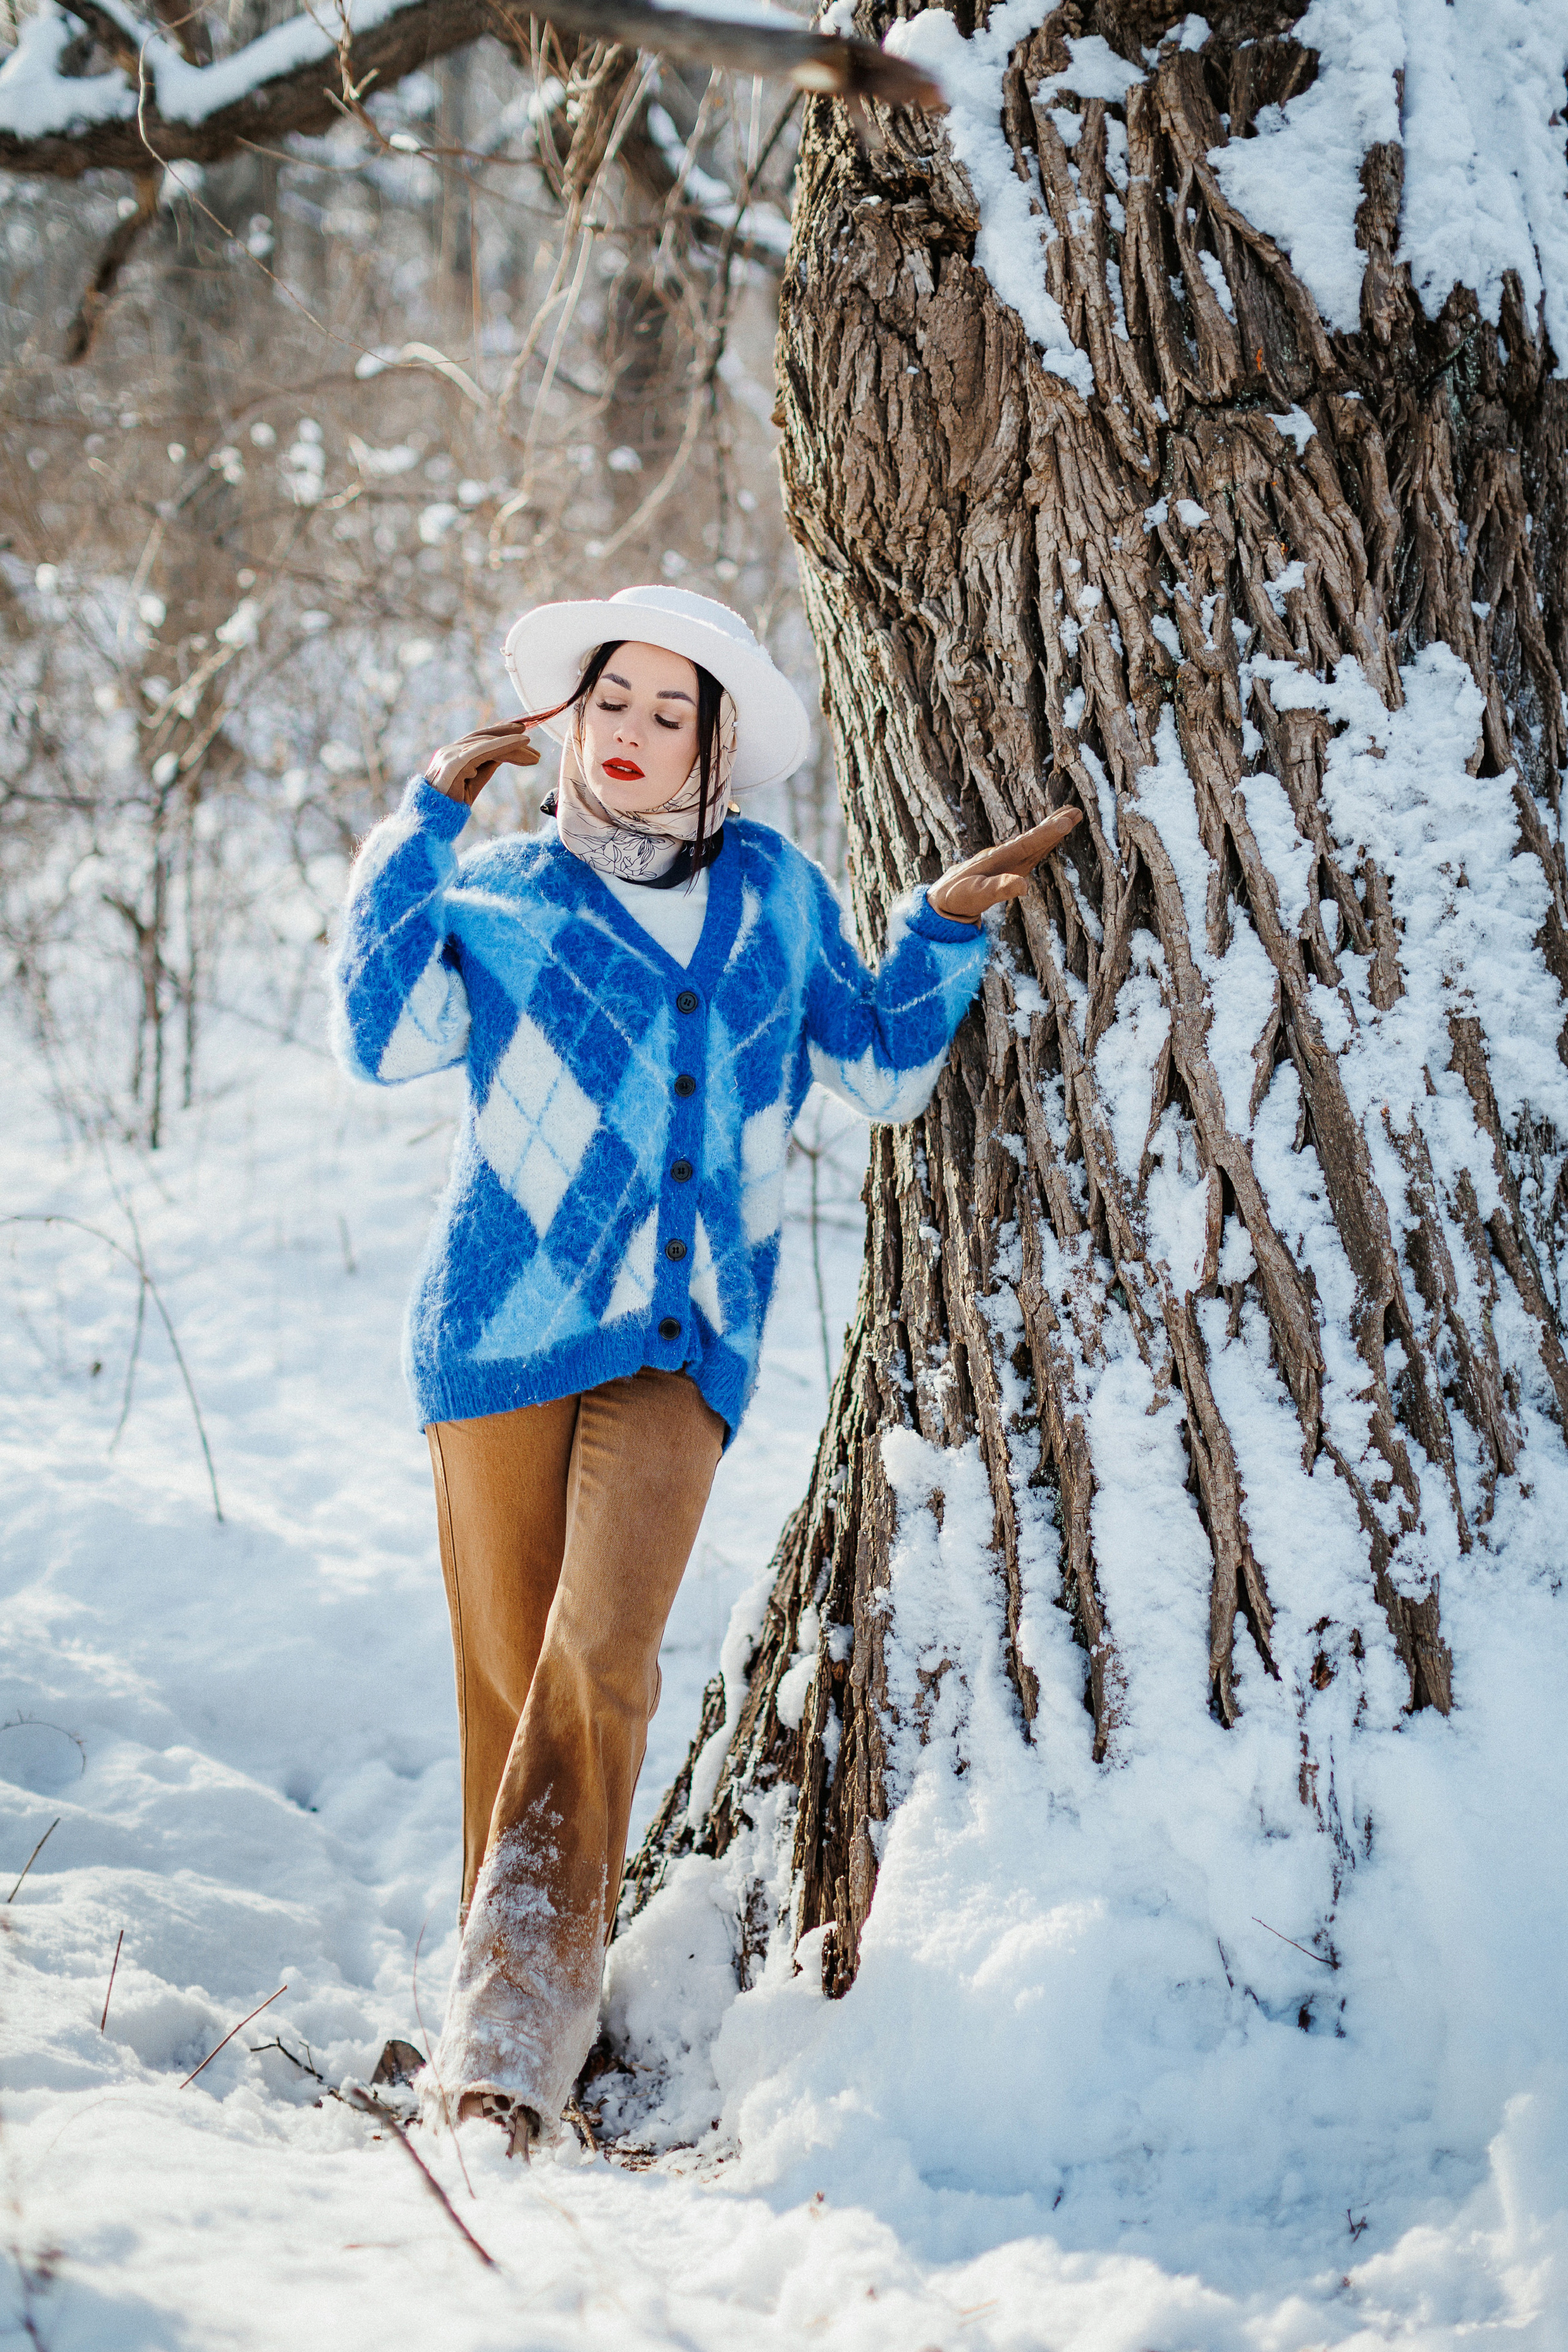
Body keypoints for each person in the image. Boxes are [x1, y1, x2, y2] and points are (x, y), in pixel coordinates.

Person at [329, 585, 1080, 2157]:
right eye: (612, 703)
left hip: (683, 1350)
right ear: (571, 720)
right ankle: (517, 2010)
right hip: (492, 1341)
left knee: (596, 1663)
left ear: (713, 746)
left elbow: (875, 1068)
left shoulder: (780, 898)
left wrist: (938, 931)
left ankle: (502, 2053)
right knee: (505, 1690)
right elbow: (383, 1036)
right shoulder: (508, 893)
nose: (630, 734)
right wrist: (418, 826)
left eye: (670, 713)